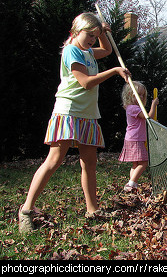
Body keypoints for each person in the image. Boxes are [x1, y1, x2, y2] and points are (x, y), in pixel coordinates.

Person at [19, 12, 130, 233]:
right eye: (89, 35)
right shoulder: (71, 51)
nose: (91, 40)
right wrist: (115, 71)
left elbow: (106, 51)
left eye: (94, 36)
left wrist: (104, 34)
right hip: (68, 112)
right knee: (54, 160)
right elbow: (86, 82)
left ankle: (93, 209)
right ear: (76, 31)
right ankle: (26, 210)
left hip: (88, 114)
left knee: (89, 163)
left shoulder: (88, 51)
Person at [119, 81, 159, 192]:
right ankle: (131, 183)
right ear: (130, 95)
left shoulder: (131, 108)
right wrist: (154, 105)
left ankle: (132, 184)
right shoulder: (134, 109)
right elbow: (148, 117)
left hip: (132, 138)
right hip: (135, 139)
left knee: (136, 164)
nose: (141, 97)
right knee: (144, 162)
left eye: (143, 95)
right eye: (138, 94)